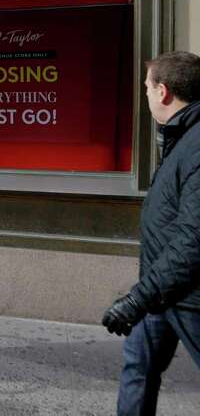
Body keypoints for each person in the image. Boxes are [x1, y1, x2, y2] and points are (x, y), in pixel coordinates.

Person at [102, 51, 200, 415]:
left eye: (146, 87)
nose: (144, 95)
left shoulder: (196, 143)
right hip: (159, 293)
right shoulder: (181, 134)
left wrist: (136, 299)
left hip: (188, 296)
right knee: (138, 368)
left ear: (163, 92)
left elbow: (194, 240)